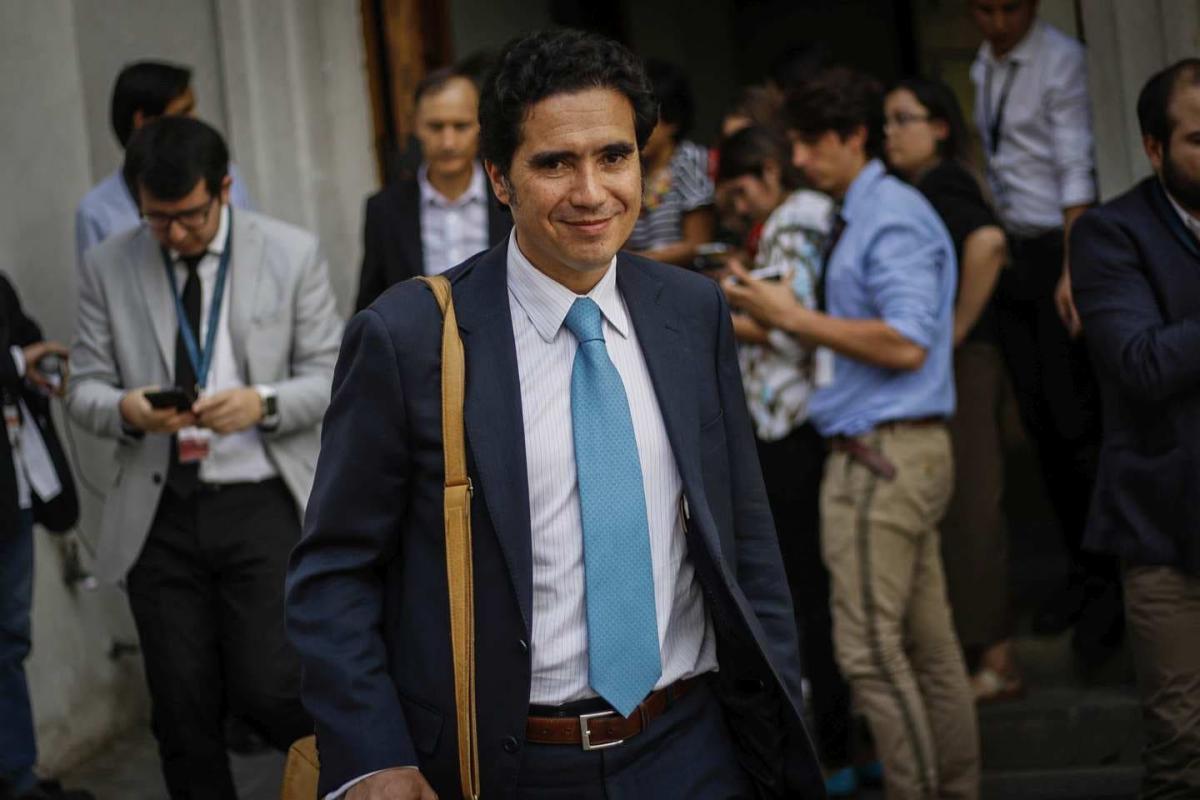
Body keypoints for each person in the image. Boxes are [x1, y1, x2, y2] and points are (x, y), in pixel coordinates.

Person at [286, 28, 823, 800]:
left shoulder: (690, 312)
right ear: (499, 178)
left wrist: (776, 719)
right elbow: (334, 572)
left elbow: (745, 537)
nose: (591, 192)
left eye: (614, 156)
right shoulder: (410, 338)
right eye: (555, 163)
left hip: (695, 749)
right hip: (515, 767)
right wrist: (374, 756)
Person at [66, 116, 341, 799]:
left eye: (189, 216)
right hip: (160, 509)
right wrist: (127, 409)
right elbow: (83, 388)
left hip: (262, 500)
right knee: (182, 709)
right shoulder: (109, 264)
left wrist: (263, 403)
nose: (175, 234)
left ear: (222, 189)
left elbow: (333, 376)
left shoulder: (290, 252)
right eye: (157, 219)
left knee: (271, 686)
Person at [724, 67, 980, 799]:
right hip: (892, 447)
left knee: (868, 653)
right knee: (929, 650)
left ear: (853, 137)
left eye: (811, 143)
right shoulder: (864, 211)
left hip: (882, 453)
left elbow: (907, 342)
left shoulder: (888, 215)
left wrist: (791, 317)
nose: (800, 160)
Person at [968, 0, 1119, 651]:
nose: (998, 22)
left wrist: (1073, 265)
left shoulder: (1059, 60)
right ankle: (1078, 571)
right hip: (1014, 252)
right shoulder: (983, 64)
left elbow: (1075, 164)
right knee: (1039, 428)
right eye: (985, 9)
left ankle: (1108, 582)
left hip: (1059, 248)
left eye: (1010, 8)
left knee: (1076, 422)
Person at [715, 125, 861, 794]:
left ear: (771, 175)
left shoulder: (796, 221)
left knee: (805, 594)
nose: (738, 204)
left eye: (742, 189)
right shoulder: (793, 220)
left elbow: (789, 325)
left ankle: (837, 746)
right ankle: (840, 743)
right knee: (807, 593)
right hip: (788, 426)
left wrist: (717, 306)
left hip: (792, 427)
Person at [1070, 58, 1200, 798]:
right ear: (1154, 148)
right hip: (1166, 533)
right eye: (1199, 140)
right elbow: (1141, 363)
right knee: (1182, 750)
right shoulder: (1110, 233)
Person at [884, 77, 1019, 702]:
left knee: (971, 504)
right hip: (959, 363)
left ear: (939, 127)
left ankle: (998, 659)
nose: (889, 133)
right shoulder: (924, 186)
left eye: (902, 119)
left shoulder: (943, 183)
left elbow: (989, 244)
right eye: (886, 121)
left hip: (968, 362)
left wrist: (954, 333)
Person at [0, 276, 88, 800]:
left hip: (13, 490)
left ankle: (16, 776)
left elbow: (25, 335)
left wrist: (40, 366)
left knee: (10, 638)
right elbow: (16, 354)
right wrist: (16, 362)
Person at [354, 65, 512, 311]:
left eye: (461, 126)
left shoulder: (511, 196)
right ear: (415, 126)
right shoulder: (385, 210)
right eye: (436, 127)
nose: (448, 143)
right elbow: (371, 305)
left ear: (481, 125)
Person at [75, 60, 253, 270]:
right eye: (183, 113)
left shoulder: (223, 174)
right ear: (143, 121)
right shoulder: (96, 211)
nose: (194, 120)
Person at [624, 59, 715, 267]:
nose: (635, 131)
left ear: (672, 120)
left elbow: (698, 244)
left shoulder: (689, 161)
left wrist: (635, 263)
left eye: (644, 122)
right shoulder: (634, 168)